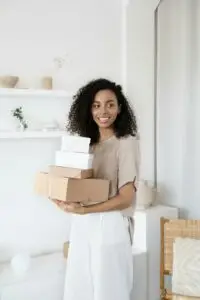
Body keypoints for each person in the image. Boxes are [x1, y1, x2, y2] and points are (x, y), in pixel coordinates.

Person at [52, 78, 140, 300]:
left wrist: (86, 210)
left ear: (119, 109)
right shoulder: (87, 145)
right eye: (96, 105)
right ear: (88, 109)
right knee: (79, 288)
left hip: (110, 224)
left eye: (110, 104)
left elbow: (126, 198)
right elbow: (80, 188)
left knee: (109, 291)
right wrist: (63, 199)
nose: (103, 111)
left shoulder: (126, 143)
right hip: (82, 225)